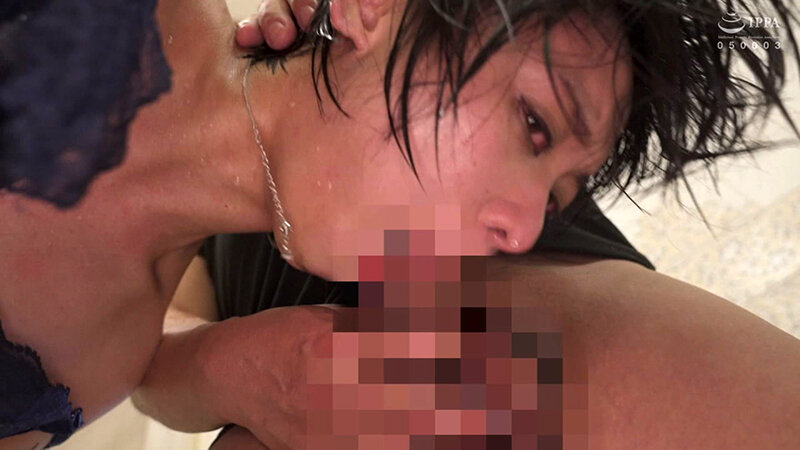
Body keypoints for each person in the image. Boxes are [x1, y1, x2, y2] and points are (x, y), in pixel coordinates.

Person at [0, 0, 797, 449]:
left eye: (558, 196)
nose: (522, 228)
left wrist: (242, 368)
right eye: (533, 124)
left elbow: (166, 363)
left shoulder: (91, 368)